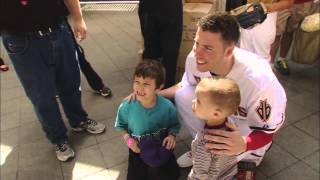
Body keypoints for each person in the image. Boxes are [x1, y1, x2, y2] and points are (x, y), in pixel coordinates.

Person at [158, 13, 287, 174]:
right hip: (219, 118)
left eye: (208, 48)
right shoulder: (195, 58)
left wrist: (245, 143)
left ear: (229, 51)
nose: (198, 52)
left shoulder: (259, 80)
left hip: (246, 127)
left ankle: (250, 159)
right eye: (197, 43)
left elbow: (267, 131)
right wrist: (155, 95)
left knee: (234, 158)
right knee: (184, 95)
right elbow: (184, 85)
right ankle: (203, 148)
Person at [0, 0, 105, 161]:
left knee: (71, 83)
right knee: (42, 96)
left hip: (58, 29)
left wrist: (78, 18)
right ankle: (58, 139)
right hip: (21, 40)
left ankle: (78, 120)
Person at [115, 60, 181, 180]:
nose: (139, 88)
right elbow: (121, 126)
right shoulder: (126, 106)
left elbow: (174, 125)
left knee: (170, 175)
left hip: (162, 146)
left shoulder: (167, 107)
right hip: (137, 149)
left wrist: (172, 136)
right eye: (137, 82)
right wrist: (129, 141)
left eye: (146, 84)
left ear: (159, 88)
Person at [188, 77, 240, 180]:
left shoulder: (206, 144)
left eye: (198, 101)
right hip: (228, 173)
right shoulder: (231, 127)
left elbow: (199, 174)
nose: (193, 101)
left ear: (216, 113)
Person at [138, 0, 182, 88]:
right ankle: (151, 86)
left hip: (161, 7)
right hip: (159, 7)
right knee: (157, 51)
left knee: (165, 52)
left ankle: (153, 87)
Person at [270, 0, 318, 75]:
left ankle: (282, 59)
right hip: (283, 2)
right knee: (277, 32)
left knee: (290, 30)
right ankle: (270, 63)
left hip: (303, 3)